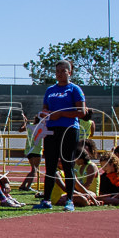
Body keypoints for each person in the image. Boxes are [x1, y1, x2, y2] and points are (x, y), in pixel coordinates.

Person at [32, 60, 86, 212]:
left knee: (68, 165)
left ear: (70, 72)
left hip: (69, 129)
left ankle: (70, 200)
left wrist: (61, 114)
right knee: (50, 166)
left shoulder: (74, 89)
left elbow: (82, 112)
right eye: (57, 71)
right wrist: (45, 115)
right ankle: (46, 200)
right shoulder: (50, 90)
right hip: (51, 130)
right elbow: (44, 110)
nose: (60, 74)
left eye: (63, 71)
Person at [57, 143, 101, 208]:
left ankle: (88, 200)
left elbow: (87, 185)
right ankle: (86, 201)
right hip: (81, 192)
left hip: (89, 192)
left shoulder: (91, 166)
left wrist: (77, 193)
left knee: (84, 196)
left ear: (80, 158)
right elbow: (76, 184)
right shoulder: (78, 166)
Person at [19, 113, 43, 192]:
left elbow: (20, 130)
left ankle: (23, 185)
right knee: (34, 170)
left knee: (33, 169)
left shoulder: (30, 125)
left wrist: (25, 121)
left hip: (29, 150)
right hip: (36, 150)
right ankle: (28, 186)